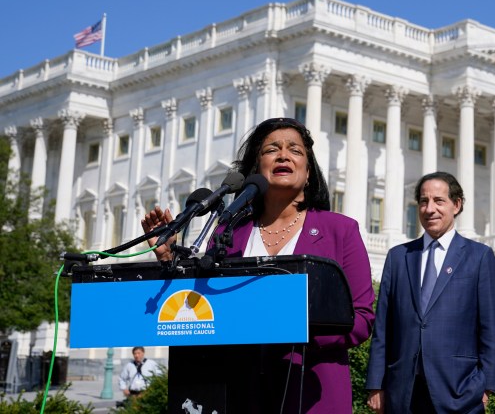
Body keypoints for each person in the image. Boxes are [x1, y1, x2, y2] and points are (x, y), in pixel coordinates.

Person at [142, 117, 375, 413]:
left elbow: (363, 318)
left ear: (307, 172)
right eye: (271, 149)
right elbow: (201, 306)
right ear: (256, 169)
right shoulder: (228, 232)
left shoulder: (340, 230)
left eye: (295, 150)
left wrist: (296, 329)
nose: (283, 155)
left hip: (312, 391)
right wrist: (169, 257)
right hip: (240, 389)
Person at [366, 171, 495, 414]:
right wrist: (376, 384)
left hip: (459, 390)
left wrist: (486, 385)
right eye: (423, 201)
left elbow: (490, 327)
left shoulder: (479, 257)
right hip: (403, 391)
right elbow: (383, 328)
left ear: (456, 205)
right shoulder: (398, 257)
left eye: (439, 201)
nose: (430, 209)